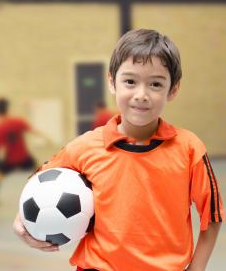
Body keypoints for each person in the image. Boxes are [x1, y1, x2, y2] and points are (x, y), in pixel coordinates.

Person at [13, 29, 224, 271]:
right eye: (130, 82)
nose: (141, 95)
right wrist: (22, 220)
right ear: (112, 82)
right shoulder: (84, 147)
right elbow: (40, 183)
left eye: (156, 84)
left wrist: (197, 268)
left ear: (173, 89)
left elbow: (213, 215)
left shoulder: (189, 149)